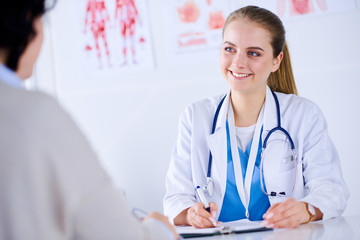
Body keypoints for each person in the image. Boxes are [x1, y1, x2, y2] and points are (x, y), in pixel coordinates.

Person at [0, 1, 177, 239]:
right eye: (41, 20)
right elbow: (116, 234)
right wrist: (159, 229)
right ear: (25, 24)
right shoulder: (34, 114)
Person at [164, 5, 349, 229]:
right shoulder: (196, 117)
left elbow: (332, 189)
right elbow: (175, 198)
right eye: (229, 49)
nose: (238, 62)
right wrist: (190, 215)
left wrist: (305, 210)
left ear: (276, 61)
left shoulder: (303, 115)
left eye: (253, 53)